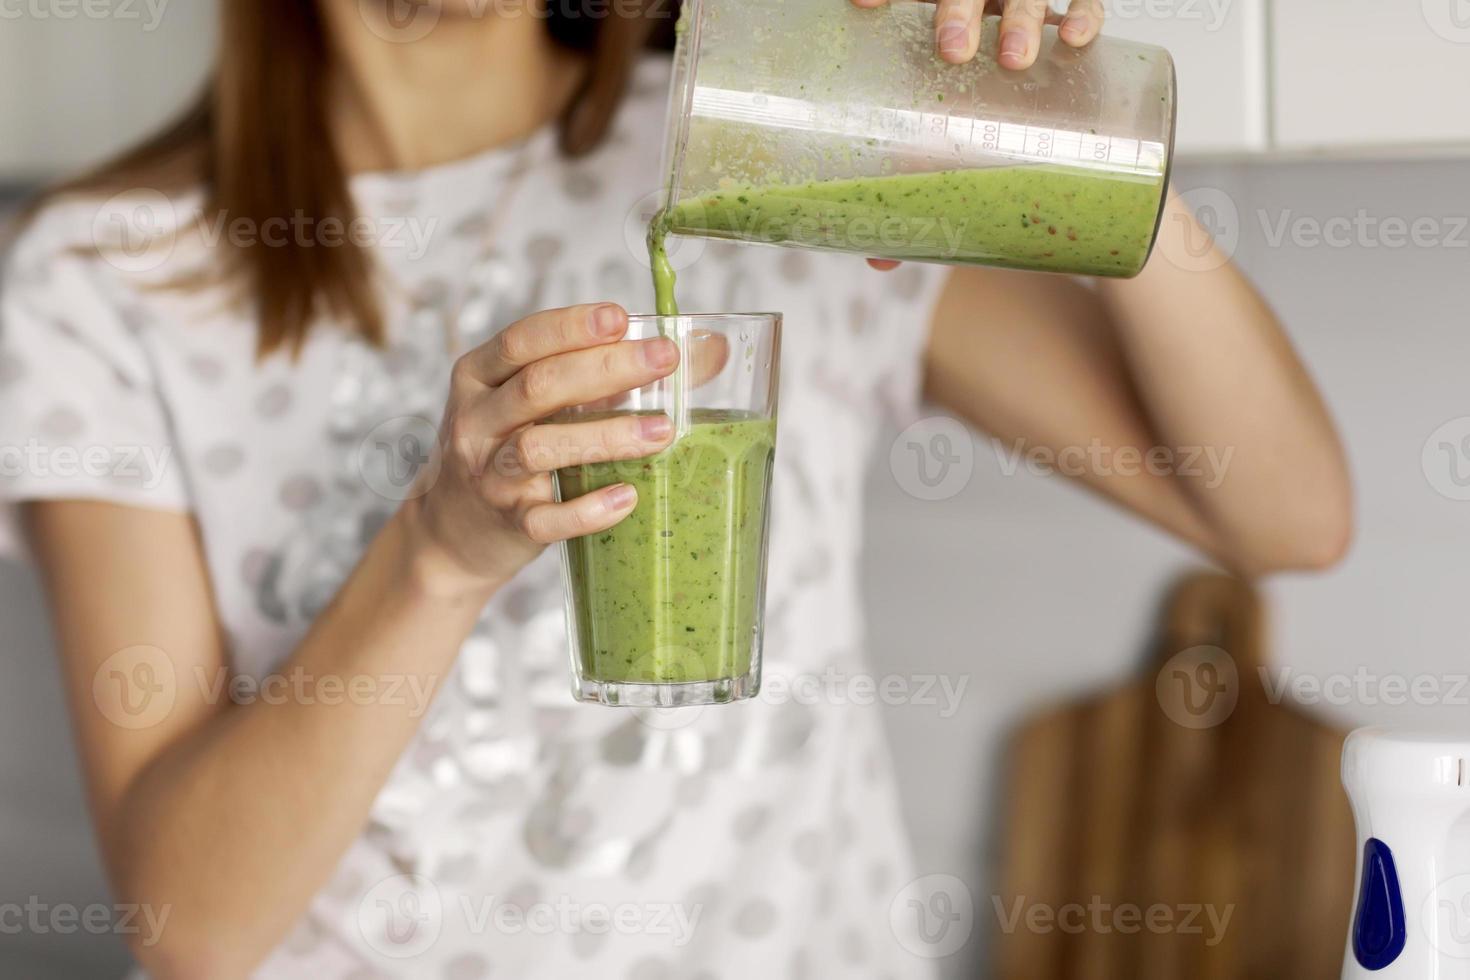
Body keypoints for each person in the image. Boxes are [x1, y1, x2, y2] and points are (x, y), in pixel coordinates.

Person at [0, 0, 1351, 977]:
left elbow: (1284, 515)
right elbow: (193, 926)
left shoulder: (776, 137)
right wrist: (440, 552)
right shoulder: (109, 271)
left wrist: (1078, 133)